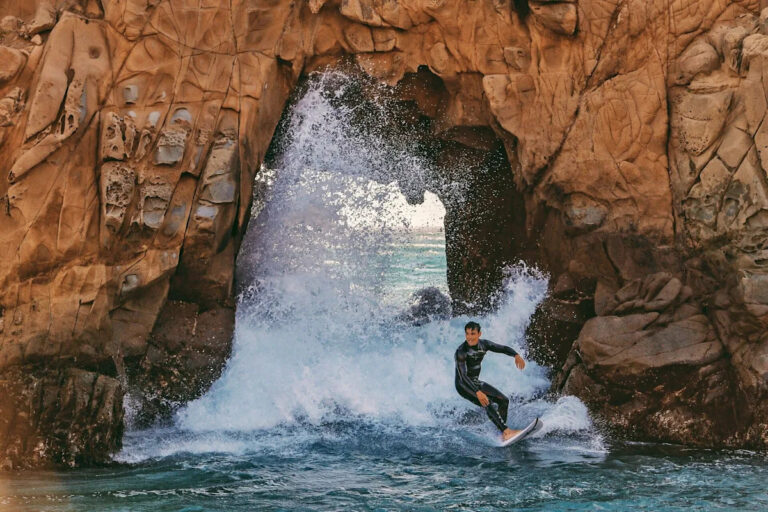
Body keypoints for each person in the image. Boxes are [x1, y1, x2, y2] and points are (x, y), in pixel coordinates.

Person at [454, 321, 526, 441]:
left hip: (475, 382)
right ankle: (506, 432)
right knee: (486, 402)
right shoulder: (461, 351)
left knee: (504, 401)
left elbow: (502, 348)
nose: (470, 337)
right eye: (467, 334)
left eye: (473, 334)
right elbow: (463, 377)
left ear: (479, 334)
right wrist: (478, 392)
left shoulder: (484, 344)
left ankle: (502, 433)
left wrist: (516, 355)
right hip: (463, 385)